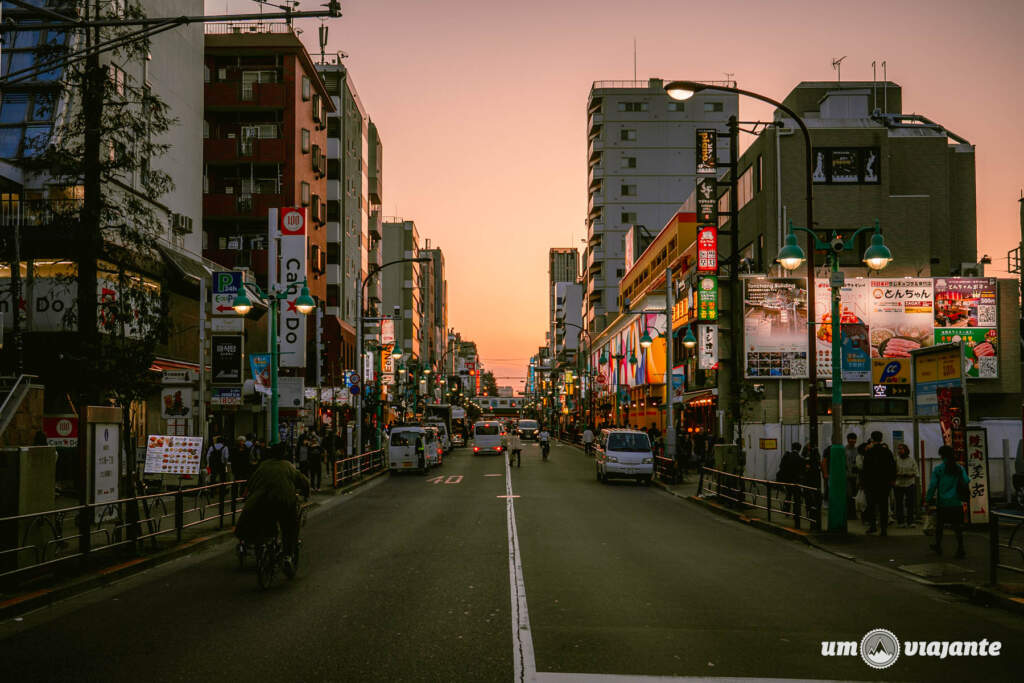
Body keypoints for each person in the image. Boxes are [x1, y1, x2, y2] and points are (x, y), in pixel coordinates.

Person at [235, 443, 311, 567]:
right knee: (290, 527)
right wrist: (306, 493)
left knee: (266, 523)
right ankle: (287, 555)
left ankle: (266, 544)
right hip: (284, 502)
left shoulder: (263, 466)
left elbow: (251, 483)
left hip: (261, 502)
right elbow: (303, 481)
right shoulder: (288, 466)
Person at [926, 445, 970, 557]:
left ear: (941, 455)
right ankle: (961, 548)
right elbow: (966, 481)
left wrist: (927, 499)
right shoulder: (959, 468)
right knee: (957, 527)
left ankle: (938, 546)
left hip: (943, 503)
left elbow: (932, 486)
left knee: (939, 526)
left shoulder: (939, 469)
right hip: (956, 502)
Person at [861, 431, 897, 536]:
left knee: (871, 506)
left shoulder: (869, 452)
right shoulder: (887, 452)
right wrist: (892, 480)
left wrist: (863, 482)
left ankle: (873, 526)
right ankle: (884, 529)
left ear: (872, 439)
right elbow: (892, 467)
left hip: (871, 483)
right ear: (881, 439)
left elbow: (865, 469)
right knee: (883, 506)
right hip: (884, 483)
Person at [893, 443, 918, 527]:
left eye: (901, 449)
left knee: (910, 503)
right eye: (898, 449)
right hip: (898, 484)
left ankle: (910, 521)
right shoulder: (896, 460)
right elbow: (893, 472)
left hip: (909, 483)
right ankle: (901, 522)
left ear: (906, 450)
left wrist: (908, 475)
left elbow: (916, 472)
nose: (900, 451)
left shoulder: (911, 460)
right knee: (899, 503)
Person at [776, 443, 806, 514]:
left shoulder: (787, 456)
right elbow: (802, 471)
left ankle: (786, 510)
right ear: (799, 449)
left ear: (792, 448)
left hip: (787, 479)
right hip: (796, 480)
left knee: (788, 494)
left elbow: (781, 466)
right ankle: (796, 513)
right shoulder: (800, 459)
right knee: (796, 497)